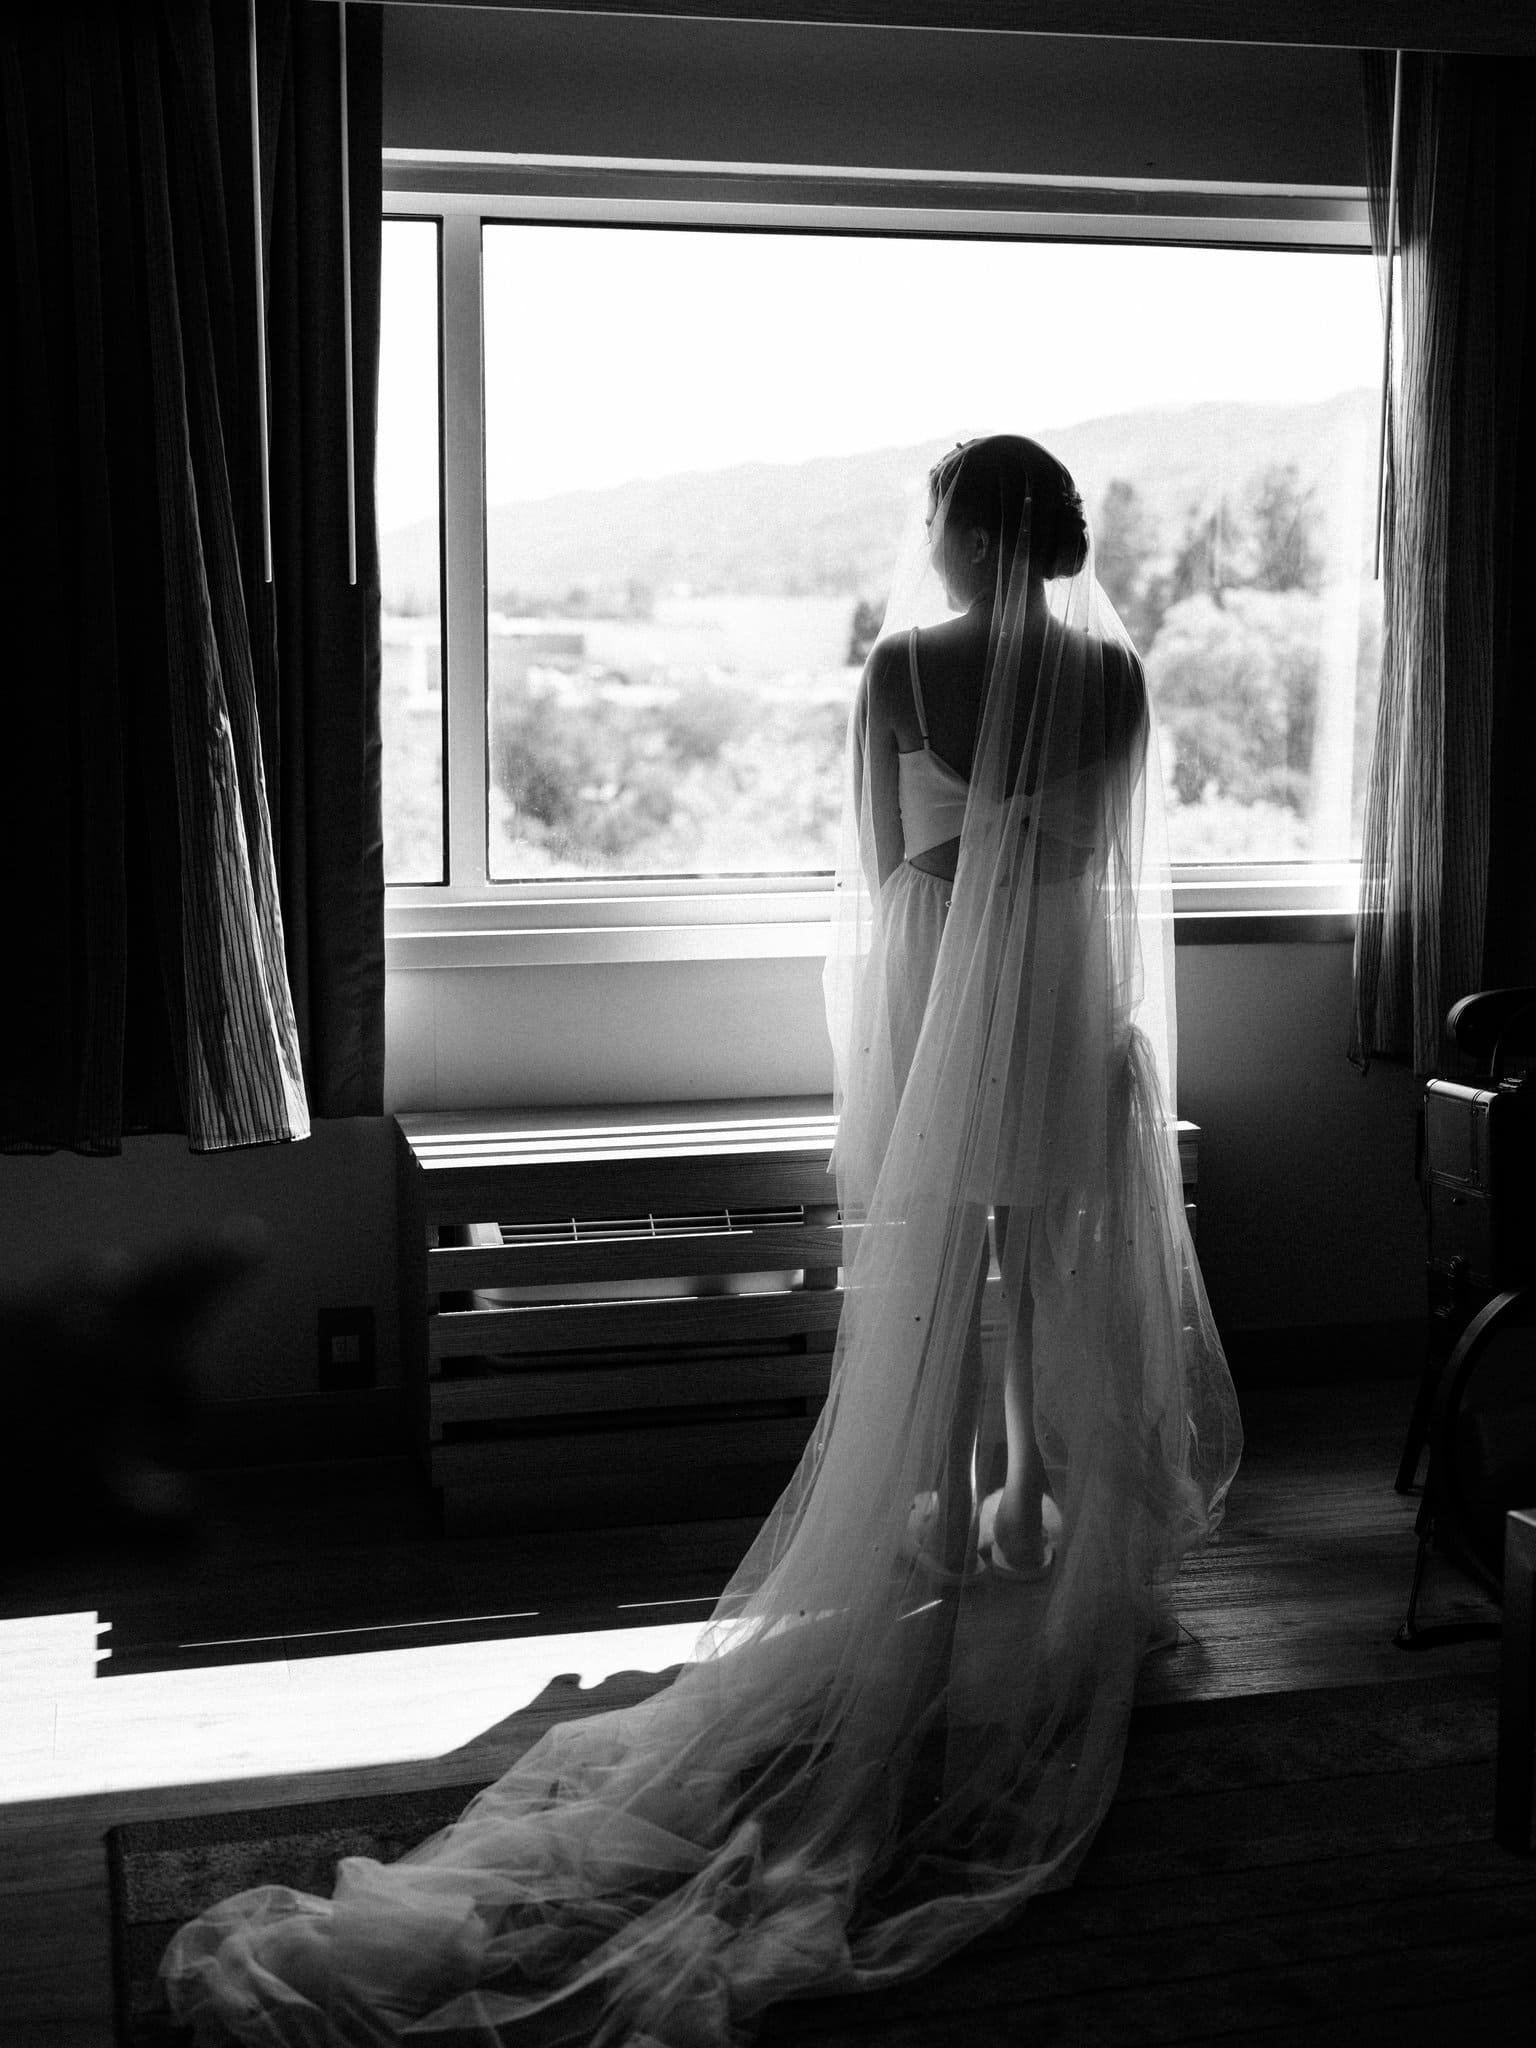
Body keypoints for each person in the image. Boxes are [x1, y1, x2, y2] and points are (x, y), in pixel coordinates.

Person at [162, 436, 1241, 2048]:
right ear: (1055, 535)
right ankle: (1037, 1511)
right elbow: (1118, 876)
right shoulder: (1121, 676)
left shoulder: (898, 667)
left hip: (955, 995)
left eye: (937, 522)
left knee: (945, 1268)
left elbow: (881, 876)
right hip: (1065, 997)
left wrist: (902, 1031)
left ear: (956, 536)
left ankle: (940, 1519)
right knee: (1047, 1272)